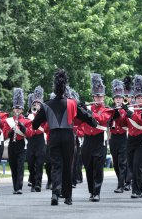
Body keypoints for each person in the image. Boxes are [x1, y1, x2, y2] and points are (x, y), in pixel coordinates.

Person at [32, 70, 97, 205]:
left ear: (54, 89)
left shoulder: (46, 104)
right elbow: (85, 116)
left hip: (54, 135)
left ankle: (55, 193)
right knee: (68, 165)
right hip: (68, 136)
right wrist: (93, 122)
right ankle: (68, 197)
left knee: (56, 165)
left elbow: (34, 125)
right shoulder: (72, 103)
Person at [81, 73, 115, 202]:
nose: (98, 98)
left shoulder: (107, 110)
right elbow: (78, 122)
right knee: (88, 167)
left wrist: (87, 112)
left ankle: (97, 192)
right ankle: (91, 191)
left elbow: (101, 119)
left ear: (104, 97)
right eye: (96, 96)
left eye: (100, 96)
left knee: (98, 167)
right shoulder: (88, 108)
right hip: (87, 140)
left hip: (99, 140)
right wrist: (80, 110)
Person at [120, 75, 142, 199]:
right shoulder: (131, 109)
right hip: (131, 139)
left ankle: (138, 190)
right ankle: (140, 187)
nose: (140, 100)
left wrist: (130, 113)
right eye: (138, 98)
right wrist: (120, 114)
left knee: (138, 165)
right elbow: (122, 124)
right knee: (132, 166)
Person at [3, 88, 33, 194]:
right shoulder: (9, 121)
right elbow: (4, 135)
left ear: (22, 109)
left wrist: (23, 128)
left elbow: (30, 134)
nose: (17, 110)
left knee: (20, 166)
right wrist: (10, 133)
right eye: (16, 108)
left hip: (21, 145)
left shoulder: (26, 121)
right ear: (13, 109)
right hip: (12, 145)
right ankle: (15, 187)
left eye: (19, 108)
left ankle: (19, 187)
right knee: (13, 167)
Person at [26, 86, 47, 192]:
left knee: (39, 163)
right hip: (31, 141)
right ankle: (33, 182)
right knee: (30, 163)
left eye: (38, 104)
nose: (36, 106)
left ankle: (38, 184)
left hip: (40, 141)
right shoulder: (28, 115)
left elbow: (45, 129)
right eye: (34, 104)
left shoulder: (44, 115)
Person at [109, 79, 128, 193]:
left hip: (123, 137)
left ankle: (121, 185)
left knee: (122, 162)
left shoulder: (126, 110)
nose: (118, 100)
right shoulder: (110, 110)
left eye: (120, 98)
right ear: (114, 99)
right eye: (116, 98)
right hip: (113, 138)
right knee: (115, 162)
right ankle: (121, 180)